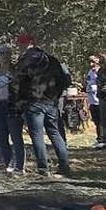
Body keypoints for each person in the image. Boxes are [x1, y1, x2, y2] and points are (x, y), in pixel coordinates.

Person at [13, 34, 72, 177]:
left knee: (37, 136)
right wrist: (56, 96)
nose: (20, 46)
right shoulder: (51, 60)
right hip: (50, 102)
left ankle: (43, 169)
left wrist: (20, 99)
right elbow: (65, 80)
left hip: (33, 102)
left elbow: (18, 82)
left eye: (22, 44)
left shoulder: (25, 61)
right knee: (55, 132)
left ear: (30, 43)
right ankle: (64, 166)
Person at [0, 47, 24, 173]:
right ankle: (6, 163)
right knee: (1, 138)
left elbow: (22, 89)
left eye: (7, 53)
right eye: (2, 53)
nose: (5, 56)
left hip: (12, 108)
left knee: (16, 138)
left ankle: (19, 166)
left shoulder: (16, 71)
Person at [87, 56, 104, 149]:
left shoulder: (101, 72)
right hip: (92, 100)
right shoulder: (90, 72)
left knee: (102, 120)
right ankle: (99, 139)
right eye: (90, 62)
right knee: (97, 121)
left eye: (93, 62)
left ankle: (102, 139)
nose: (91, 64)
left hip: (100, 99)